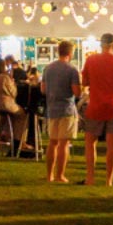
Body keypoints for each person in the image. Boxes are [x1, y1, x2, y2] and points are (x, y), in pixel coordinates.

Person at [81, 33, 113, 186]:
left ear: (101, 44)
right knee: (112, 144)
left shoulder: (91, 60)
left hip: (95, 105)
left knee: (90, 143)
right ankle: (108, 180)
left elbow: (84, 81)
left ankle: (90, 177)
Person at [40, 40, 82, 184]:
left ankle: (49, 175)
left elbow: (43, 89)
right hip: (66, 109)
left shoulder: (48, 69)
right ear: (70, 53)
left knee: (52, 143)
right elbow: (77, 92)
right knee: (64, 143)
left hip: (52, 108)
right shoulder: (72, 70)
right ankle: (60, 175)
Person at [0, 53, 25, 155]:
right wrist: (12, 82)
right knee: (23, 114)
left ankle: (6, 133)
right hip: (4, 104)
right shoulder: (4, 77)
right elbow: (13, 93)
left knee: (11, 116)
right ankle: (18, 141)